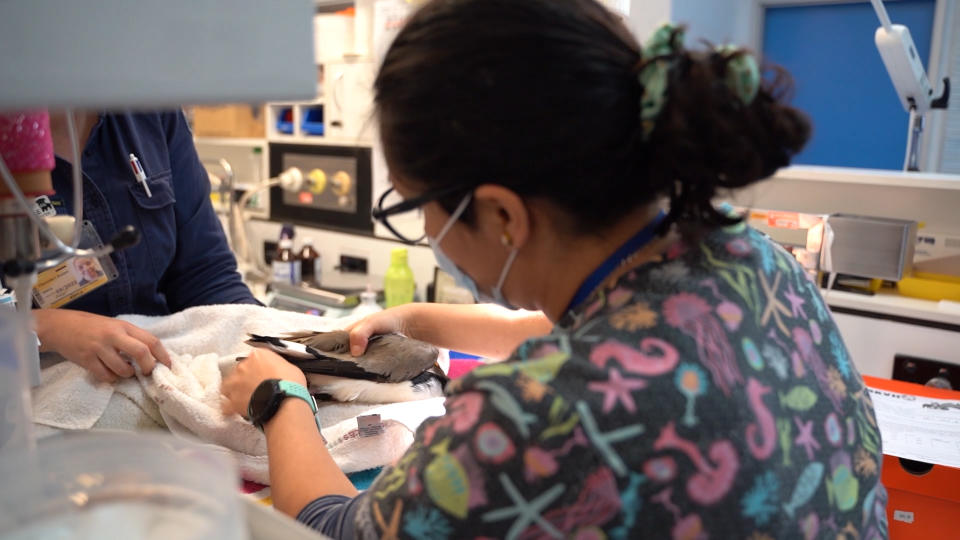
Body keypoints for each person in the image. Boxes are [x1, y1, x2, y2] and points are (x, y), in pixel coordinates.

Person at [221, 0, 889, 537]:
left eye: (418, 204)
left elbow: (342, 528)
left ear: (504, 216)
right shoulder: (752, 259)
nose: (425, 230)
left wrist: (282, 402)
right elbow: (581, 335)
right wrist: (410, 319)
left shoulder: (532, 412)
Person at [29, 111, 260, 383]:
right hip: (37, 388)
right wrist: (46, 329)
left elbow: (206, 276)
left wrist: (263, 338)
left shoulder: (150, 113)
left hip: (161, 370)